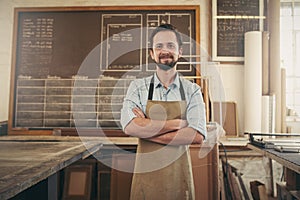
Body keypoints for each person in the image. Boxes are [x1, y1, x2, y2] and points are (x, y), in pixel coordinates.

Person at [120, 24, 207, 200]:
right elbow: (129, 127)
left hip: (179, 181)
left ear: (180, 51)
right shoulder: (138, 87)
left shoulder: (193, 90)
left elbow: (197, 135)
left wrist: (147, 132)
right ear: (151, 53)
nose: (164, 51)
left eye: (170, 45)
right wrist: (176, 124)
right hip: (146, 180)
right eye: (159, 46)